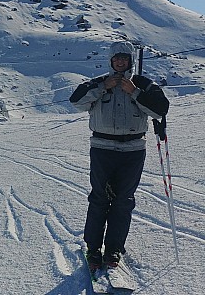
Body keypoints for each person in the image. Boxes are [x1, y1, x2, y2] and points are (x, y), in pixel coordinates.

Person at [69, 41, 169, 272]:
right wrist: (104, 86)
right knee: (99, 199)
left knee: (123, 201)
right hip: (102, 148)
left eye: (124, 58)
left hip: (133, 150)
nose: (120, 62)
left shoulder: (143, 84)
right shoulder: (99, 82)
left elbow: (160, 109)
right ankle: (93, 249)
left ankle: (113, 249)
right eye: (116, 59)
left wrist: (133, 92)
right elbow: (76, 102)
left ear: (130, 61)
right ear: (111, 61)